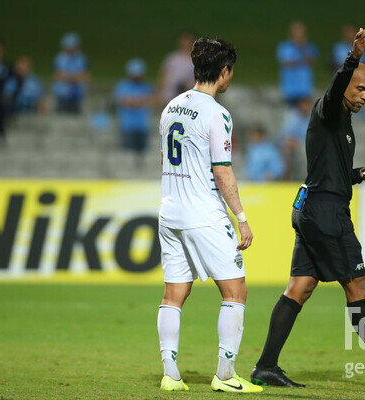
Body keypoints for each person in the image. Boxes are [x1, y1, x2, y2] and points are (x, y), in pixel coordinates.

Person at [251, 28, 365, 389]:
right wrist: (353, 57)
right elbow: (335, 90)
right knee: (358, 286)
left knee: (299, 288)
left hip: (311, 205)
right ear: (346, 84)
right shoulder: (329, 108)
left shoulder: (341, 121)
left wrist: (357, 173)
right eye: (360, 88)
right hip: (327, 214)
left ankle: (266, 367)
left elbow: (328, 170)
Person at [157, 37, 262, 394]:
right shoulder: (217, 113)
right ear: (224, 71)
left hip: (169, 213)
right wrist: (241, 217)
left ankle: (170, 375)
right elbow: (223, 172)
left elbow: (163, 160)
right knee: (236, 291)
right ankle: (226, 373)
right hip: (203, 214)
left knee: (174, 294)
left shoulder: (171, 106)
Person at [113, 58, 155, 158]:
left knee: (143, 155)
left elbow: (153, 100)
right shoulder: (122, 85)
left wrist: (135, 101)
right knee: (127, 155)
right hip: (127, 126)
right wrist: (142, 101)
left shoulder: (146, 86)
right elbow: (125, 102)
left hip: (143, 126)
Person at [277, 21, 318, 106]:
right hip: (290, 90)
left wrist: (302, 47)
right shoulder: (284, 47)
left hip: (305, 89)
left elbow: (311, 61)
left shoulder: (309, 47)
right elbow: (286, 62)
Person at [52, 32, 89, 113]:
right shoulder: (59, 58)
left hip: (77, 94)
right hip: (62, 94)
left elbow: (85, 75)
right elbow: (57, 75)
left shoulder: (81, 58)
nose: (70, 49)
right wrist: (74, 77)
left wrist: (67, 77)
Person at [277, 97, 312, 180]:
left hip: (307, 145)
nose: (305, 106)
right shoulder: (292, 116)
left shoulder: (313, 116)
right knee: (287, 152)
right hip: (294, 145)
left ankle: (308, 180)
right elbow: (287, 136)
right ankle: (286, 181)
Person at [158, 32, 195, 104]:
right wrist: (159, 91)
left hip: (187, 96)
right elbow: (163, 76)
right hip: (169, 95)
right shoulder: (172, 58)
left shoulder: (196, 60)